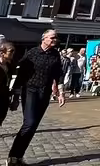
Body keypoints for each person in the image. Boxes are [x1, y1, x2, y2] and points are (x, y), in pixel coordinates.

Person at [8, 29, 66, 166]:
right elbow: (21, 75)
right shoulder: (32, 53)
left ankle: (18, 158)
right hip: (30, 90)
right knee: (29, 123)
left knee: (33, 126)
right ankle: (12, 157)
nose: (55, 40)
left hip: (44, 92)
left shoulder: (55, 55)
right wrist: (15, 96)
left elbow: (58, 74)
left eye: (56, 38)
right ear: (44, 38)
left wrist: (61, 92)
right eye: (52, 37)